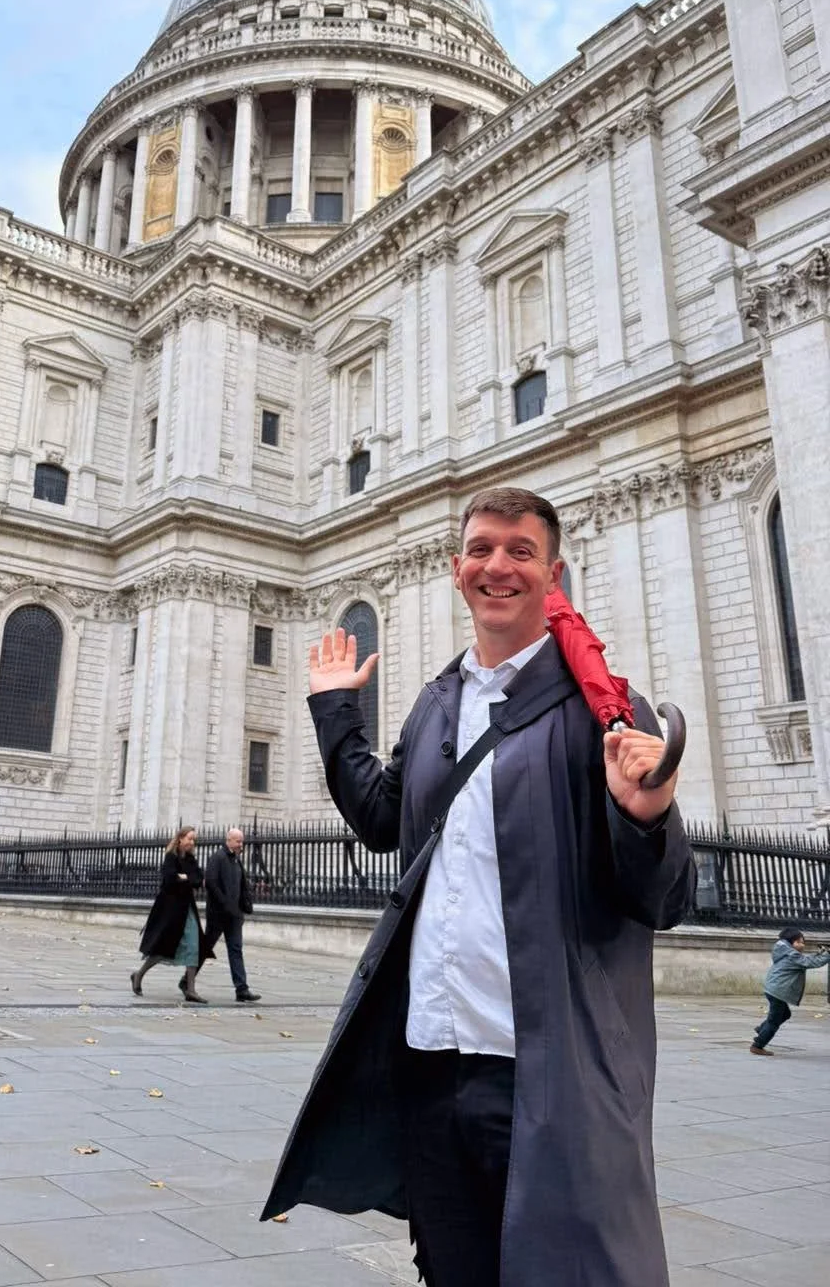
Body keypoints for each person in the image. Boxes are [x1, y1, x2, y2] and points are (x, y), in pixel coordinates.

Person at [262, 485, 695, 1287]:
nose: (499, 566)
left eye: (521, 551)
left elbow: (666, 899)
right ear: (456, 568)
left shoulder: (602, 707)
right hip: (432, 1060)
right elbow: (385, 819)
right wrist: (335, 713)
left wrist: (649, 816)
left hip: (544, 1072)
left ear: (552, 574)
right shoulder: (438, 703)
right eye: (482, 549)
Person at [132, 826, 212, 1004]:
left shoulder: (190, 859)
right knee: (163, 948)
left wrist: (184, 877)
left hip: (187, 909)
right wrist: (185, 878)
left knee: (194, 946)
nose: (192, 842)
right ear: (180, 838)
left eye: (194, 839)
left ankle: (190, 990)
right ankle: (139, 974)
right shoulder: (171, 857)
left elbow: (198, 879)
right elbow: (169, 880)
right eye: (190, 838)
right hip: (170, 910)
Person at [750, 925, 830, 1055]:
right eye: (799, 942)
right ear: (790, 942)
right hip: (778, 991)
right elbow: (810, 963)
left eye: (803, 942)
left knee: (785, 1014)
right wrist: (827, 955)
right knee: (774, 1021)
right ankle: (757, 1045)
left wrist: (820, 954)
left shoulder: (785, 951)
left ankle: (762, 1029)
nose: (803, 945)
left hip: (773, 989)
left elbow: (806, 959)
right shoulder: (792, 955)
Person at [202, 827, 261, 1002]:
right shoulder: (218, 857)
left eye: (242, 841)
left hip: (235, 916)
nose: (241, 845)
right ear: (228, 840)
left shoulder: (236, 860)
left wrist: (245, 904)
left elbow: (242, 885)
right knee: (205, 949)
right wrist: (225, 903)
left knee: (236, 950)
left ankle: (241, 989)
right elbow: (211, 882)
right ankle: (186, 981)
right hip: (218, 915)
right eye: (238, 841)